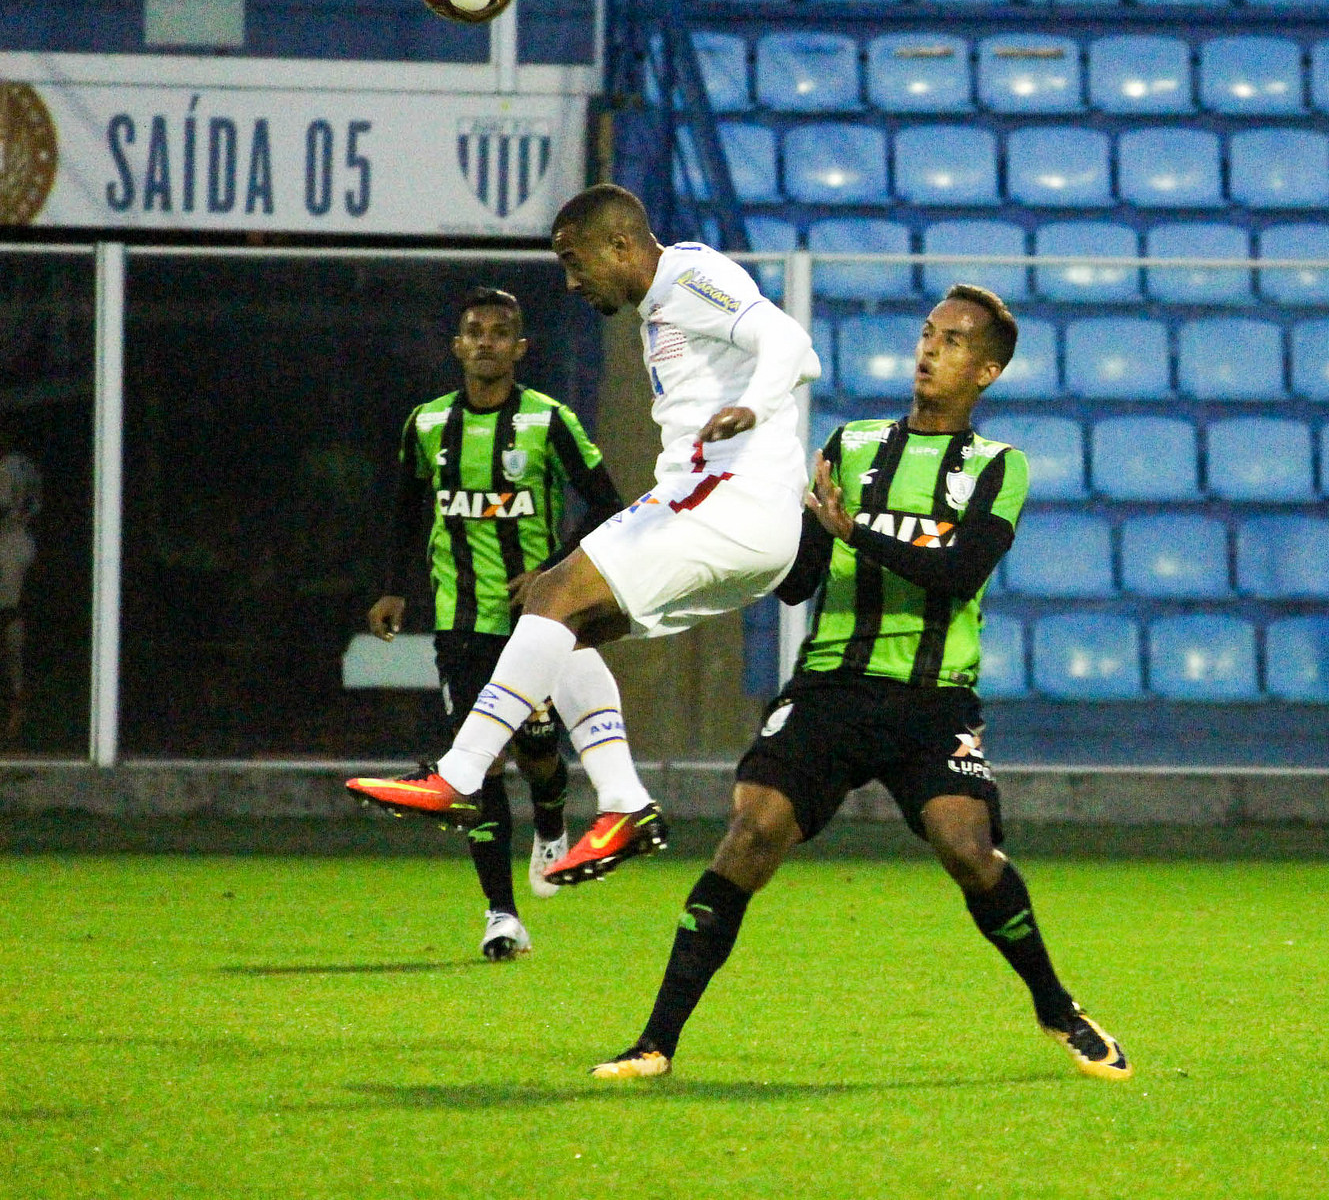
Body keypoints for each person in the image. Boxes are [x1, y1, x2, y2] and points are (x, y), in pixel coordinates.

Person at [590, 286, 1131, 1084]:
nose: (928, 350)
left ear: (985, 370)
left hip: (932, 697)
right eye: (926, 333)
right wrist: (765, 522)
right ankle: (654, 1042)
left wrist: (857, 530)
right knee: (749, 835)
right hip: (832, 688)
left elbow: (957, 574)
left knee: (968, 847)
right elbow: (801, 581)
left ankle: (1056, 1006)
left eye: (951, 342)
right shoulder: (852, 445)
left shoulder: (998, 467)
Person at [348, 184, 818, 890]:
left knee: (553, 590)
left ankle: (459, 771)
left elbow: (790, 341)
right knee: (557, 624)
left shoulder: (689, 274)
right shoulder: (663, 304)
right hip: (735, 517)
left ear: (621, 245)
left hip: (729, 497)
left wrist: (751, 406)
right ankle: (624, 801)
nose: (571, 281)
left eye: (575, 261)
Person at [368, 287, 624, 960]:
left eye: (499, 331)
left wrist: (556, 573)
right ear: (457, 346)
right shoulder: (426, 425)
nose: (485, 341)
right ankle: (501, 914)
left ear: (520, 348)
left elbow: (611, 505)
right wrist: (394, 589)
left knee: (539, 752)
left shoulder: (549, 421)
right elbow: (405, 509)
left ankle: (551, 812)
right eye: (474, 331)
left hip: (534, 626)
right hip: (460, 627)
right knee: (476, 770)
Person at [0, 425, 39, 744]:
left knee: (8, 615)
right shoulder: (26, 464)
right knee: (12, 615)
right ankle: (16, 697)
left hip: (9, 543)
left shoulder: (9, 466)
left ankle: (15, 701)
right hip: (21, 541)